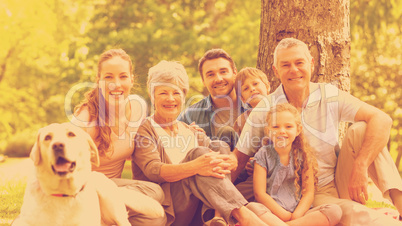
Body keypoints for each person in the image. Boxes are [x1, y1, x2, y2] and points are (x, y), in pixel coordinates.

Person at [230, 37, 402, 225]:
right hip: (308, 192)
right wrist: (218, 199)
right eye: (285, 65)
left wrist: (360, 166)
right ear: (275, 70)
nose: (294, 70)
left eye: (299, 62)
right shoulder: (265, 108)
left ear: (311, 64)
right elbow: (238, 159)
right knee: (356, 214)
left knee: (363, 129)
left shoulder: (329, 94)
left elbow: (382, 119)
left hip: (341, 177)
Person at [132, 60, 272, 226]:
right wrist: (196, 166)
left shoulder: (190, 130)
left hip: (200, 211)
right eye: (163, 93)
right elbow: (153, 170)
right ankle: (240, 216)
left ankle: (219, 215)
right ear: (152, 95)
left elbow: (220, 154)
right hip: (169, 210)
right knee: (199, 155)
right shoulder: (145, 130)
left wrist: (249, 161)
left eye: (176, 93)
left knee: (219, 146)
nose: (171, 99)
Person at [72, 49, 166, 225]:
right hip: (85, 192)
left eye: (122, 76)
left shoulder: (138, 108)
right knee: (156, 193)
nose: (116, 84)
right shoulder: (85, 118)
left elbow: (153, 134)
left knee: (157, 217)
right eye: (108, 77)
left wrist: (186, 130)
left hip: (115, 190)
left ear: (131, 78)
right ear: (98, 80)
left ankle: (108, 215)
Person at [253, 103, 342, 225]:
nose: (282, 131)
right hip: (272, 212)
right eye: (275, 127)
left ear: (298, 130)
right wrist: (283, 215)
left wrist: (296, 216)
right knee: (252, 208)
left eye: (288, 126)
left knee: (334, 211)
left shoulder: (304, 155)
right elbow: (259, 193)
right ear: (268, 131)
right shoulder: (263, 154)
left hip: (299, 214)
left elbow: (309, 193)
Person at [178, 49, 249, 151]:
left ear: (234, 73)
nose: (218, 79)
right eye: (210, 74)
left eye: (223, 72)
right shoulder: (189, 116)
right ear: (203, 80)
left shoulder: (254, 108)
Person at [232, 67, 270, 190]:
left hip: (279, 169)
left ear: (267, 86)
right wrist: (248, 164)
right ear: (243, 99)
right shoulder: (242, 121)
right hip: (254, 176)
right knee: (239, 192)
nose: (252, 89)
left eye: (255, 84)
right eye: (246, 88)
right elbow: (240, 153)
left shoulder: (280, 111)